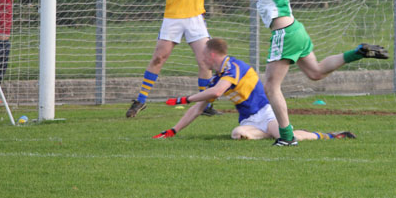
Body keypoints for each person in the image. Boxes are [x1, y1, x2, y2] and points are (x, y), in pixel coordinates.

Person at [226, 0, 388, 146]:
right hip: (295, 30)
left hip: (285, 32)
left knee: (271, 87)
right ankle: (357, 52)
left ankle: (286, 138)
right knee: (316, 72)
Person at [153, 38, 356, 142]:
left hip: (266, 114)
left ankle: (329, 135)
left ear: (212, 55)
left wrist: (183, 99)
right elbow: (198, 108)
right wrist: (173, 130)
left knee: (287, 137)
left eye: (203, 55)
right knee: (238, 133)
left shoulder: (234, 67)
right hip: (249, 121)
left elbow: (215, 93)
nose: (201, 59)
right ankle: (269, 133)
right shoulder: (217, 76)